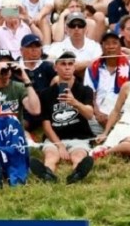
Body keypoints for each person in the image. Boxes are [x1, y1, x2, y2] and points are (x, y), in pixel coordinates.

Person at [38, 51, 96, 183]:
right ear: (55, 67)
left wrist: (75, 102)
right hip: (55, 138)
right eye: (63, 64)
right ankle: (47, 174)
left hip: (79, 137)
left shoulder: (85, 90)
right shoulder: (46, 94)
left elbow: (89, 114)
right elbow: (46, 125)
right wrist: (59, 145)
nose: (67, 67)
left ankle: (77, 174)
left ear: (74, 67)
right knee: (51, 156)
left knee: (78, 155)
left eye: (70, 64)